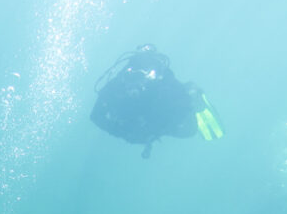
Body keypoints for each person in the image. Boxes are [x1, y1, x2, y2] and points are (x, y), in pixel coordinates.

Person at [90, 44, 223, 159]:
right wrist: (127, 135)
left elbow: (181, 103)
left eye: (145, 70)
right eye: (136, 70)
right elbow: (96, 116)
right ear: (129, 69)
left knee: (190, 128)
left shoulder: (163, 81)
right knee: (189, 128)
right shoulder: (119, 83)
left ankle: (195, 102)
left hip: (162, 123)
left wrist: (191, 100)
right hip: (145, 126)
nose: (140, 74)